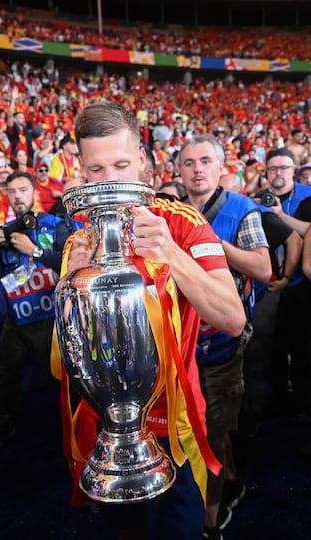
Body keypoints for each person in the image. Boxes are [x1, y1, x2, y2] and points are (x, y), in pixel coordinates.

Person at [50, 101, 246, 540]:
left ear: (142, 160)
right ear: (81, 170)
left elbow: (232, 318)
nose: (111, 180)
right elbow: (64, 361)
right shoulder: (80, 240)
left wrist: (172, 255)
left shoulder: (179, 221)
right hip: (109, 429)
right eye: (96, 170)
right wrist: (67, 287)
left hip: (174, 427)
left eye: (121, 163)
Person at [177, 134, 272, 539]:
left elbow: (264, 269)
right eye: (188, 163)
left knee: (210, 434)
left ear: (221, 169)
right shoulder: (171, 213)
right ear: (179, 173)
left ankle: (211, 518)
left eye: (204, 162)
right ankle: (229, 478)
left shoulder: (241, 209)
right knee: (199, 428)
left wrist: (214, 245)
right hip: (182, 341)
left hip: (221, 343)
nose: (197, 169)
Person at [0, 171, 69, 455]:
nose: (17, 195)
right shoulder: (1, 232)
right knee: (5, 375)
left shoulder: (55, 226)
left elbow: (69, 265)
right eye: (12, 191)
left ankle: (75, 438)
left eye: (23, 189)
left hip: (50, 320)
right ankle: (4, 429)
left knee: (63, 383)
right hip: (15, 320)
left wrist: (36, 251)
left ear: (34, 192)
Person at [263, 147, 311, 414]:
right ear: (267, 172)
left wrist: (280, 215)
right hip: (267, 285)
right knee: (273, 347)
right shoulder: (256, 200)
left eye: (284, 168)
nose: (278, 173)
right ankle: (277, 400)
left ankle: (302, 403)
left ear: (294, 171)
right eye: (273, 168)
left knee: (300, 346)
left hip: (300, 286)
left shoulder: (308, 197)